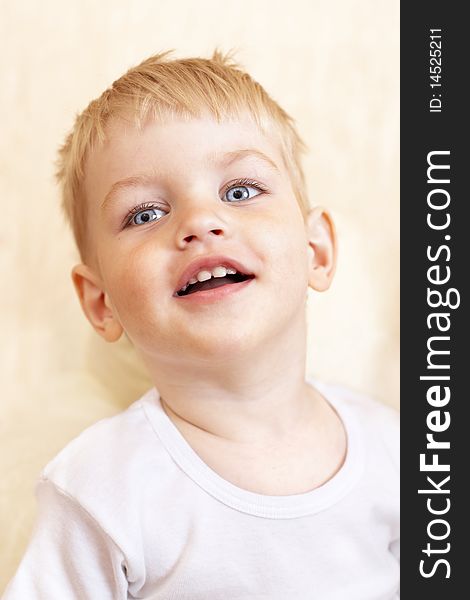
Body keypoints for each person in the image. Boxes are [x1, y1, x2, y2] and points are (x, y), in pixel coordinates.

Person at [3, 50, 399, 599]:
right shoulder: (99, 490)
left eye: (240, 191)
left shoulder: (398, 451)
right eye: (145, 214)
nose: (200, 221)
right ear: (100, 302)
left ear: (316, 251)